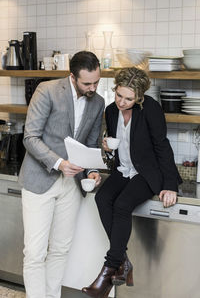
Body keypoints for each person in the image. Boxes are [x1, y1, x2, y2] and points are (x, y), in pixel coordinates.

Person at [82, 67, 182, 298]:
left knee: (122, 204)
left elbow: (162, 146)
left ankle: (107, 273)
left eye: (129, 99)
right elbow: (115, 150)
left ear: (139, 97)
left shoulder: (151, 110)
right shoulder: (111, 111)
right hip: (122, 169)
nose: (122, 102)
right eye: (119, 95)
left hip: (147, 173)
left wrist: (170, 185)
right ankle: (123, 262)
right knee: (102, 198)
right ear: (115, 89)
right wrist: (105, 147)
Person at [18, 51, 105, 298]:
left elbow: (90, 145)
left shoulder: (98, 102)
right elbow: (30, 137)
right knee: (35, 253)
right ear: (72, 76)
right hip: (40, 180)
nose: (93, 88)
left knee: (60, 249)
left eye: (96, 82)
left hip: (72, 185)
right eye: (87, 83)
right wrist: (58, 163)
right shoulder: (47, 91)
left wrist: (92, 171)